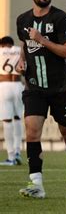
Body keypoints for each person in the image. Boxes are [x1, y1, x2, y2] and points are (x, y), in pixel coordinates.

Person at [15, 0, 66, 198]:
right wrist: (21, 59)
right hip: (34, 87)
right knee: (32, 132)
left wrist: (43, 39)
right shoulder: (22, 20)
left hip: (61, 87)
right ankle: (37, 185)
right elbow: (25, 44)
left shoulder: (61, 19)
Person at [0, 36, 24, 166]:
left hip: (4, 86)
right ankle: (18, 152)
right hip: (18, 85)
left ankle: (10, 156)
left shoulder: (0, 51)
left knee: (7, 121)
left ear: (2, 44)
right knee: (18, 118)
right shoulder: (19, 50)